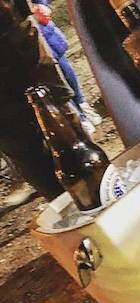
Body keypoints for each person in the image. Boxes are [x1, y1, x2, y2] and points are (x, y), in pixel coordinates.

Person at [0, 0, 72, 206]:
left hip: (18, 40)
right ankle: (71, 210)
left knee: (64, 130)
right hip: (17, 36)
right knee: (28, 153)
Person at [31, 1, 101, 135]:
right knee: (51, 77)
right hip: (23, 33)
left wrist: (42, 4)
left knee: (64, 68)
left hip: (39, 25)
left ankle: (82, 105)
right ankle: (78, 117)